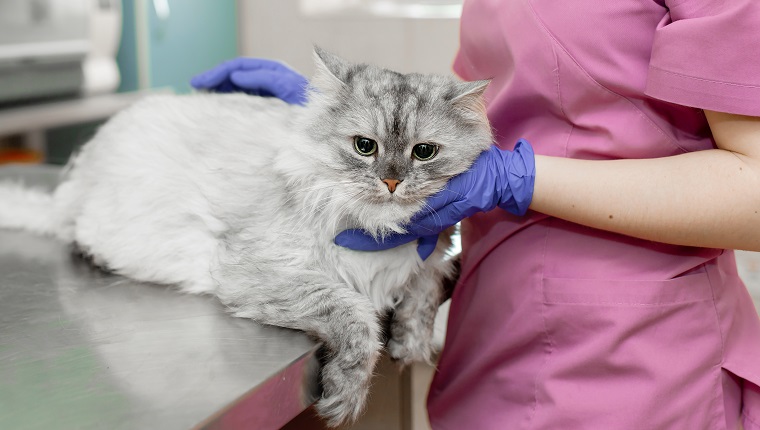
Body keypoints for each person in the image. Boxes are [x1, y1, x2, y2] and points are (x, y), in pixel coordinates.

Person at [191, 0, 760, 428]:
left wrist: (518, 178)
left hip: (634, 355)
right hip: (493, 319)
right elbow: (491, 107)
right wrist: (339, 117)